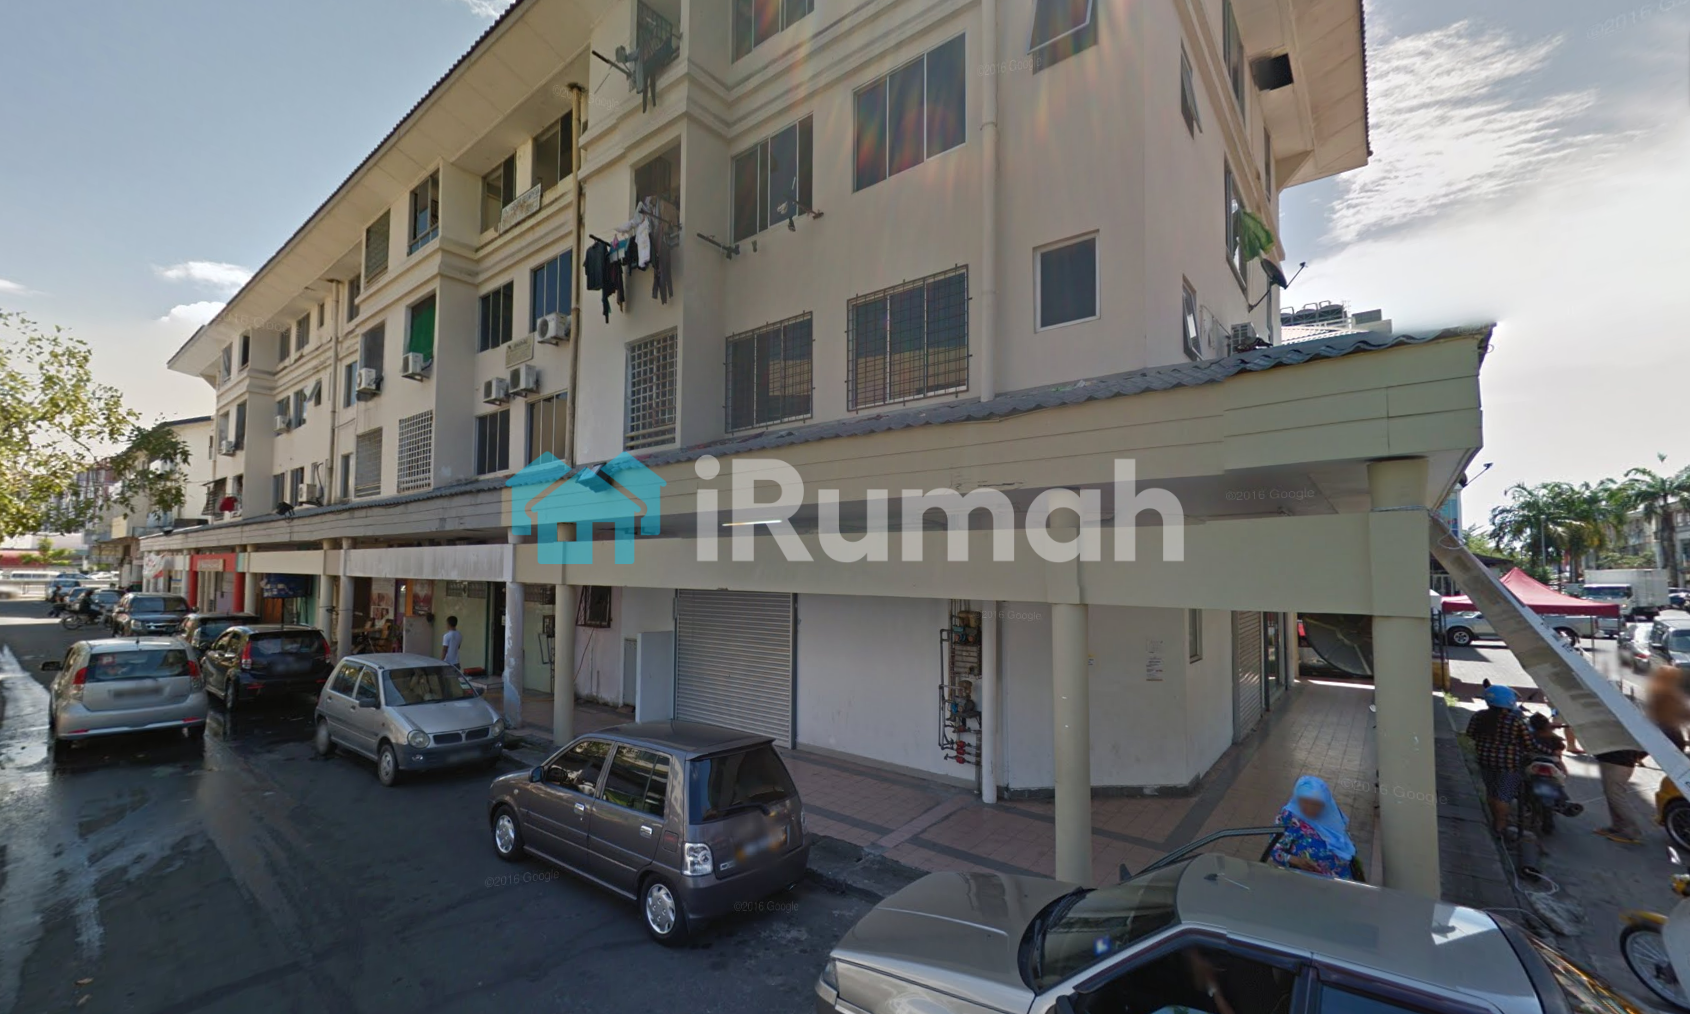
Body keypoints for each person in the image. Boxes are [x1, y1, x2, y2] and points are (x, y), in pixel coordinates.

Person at [1465, 684, 1537, 835]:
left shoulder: (1478, 716)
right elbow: (1529, 744)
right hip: (1509, 766)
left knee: (1491, 792)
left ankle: (1495, 820)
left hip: (1485, 760)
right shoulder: (1515, 721)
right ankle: (1500, 826)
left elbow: (1470, 734)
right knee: (1503, 796)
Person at [1268, 776, 1357, 880]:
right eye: (1304, 801)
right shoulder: (1289, 816)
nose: (1309, 808)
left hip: (1338, 879)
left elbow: (1345, 843)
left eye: (1315, 804)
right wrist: (1296, 861)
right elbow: (1273, 849)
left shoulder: (1332, 816)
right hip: (1302, 878)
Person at [1594, 747, 1647, 845]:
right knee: (1612, 794)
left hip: (1617, 761)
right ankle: (1618, 826)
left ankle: (1631, 832)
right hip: (1616, 759)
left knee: (1616, 796)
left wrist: (1636, 756)